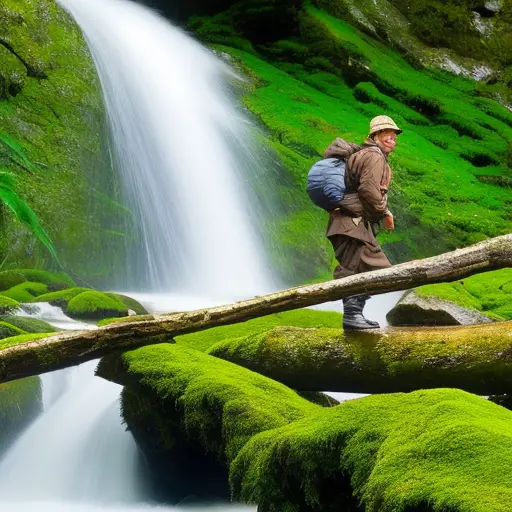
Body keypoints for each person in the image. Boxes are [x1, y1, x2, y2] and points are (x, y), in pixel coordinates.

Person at [323, 115, 401, 330]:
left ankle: (354, 315)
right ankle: (351, 315)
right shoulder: (374, 156)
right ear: (375, 135)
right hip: (352, 225)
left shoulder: (365, 154)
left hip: (349, 224)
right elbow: (368, 189)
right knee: (379, 271)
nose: (392, 137)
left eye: (394, 134)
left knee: (358, 269)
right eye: (386, 132)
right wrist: (384, 211)